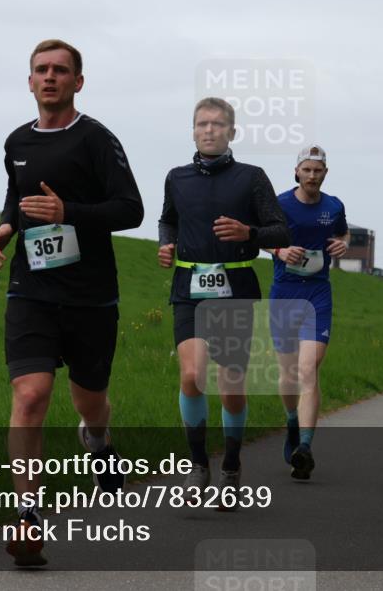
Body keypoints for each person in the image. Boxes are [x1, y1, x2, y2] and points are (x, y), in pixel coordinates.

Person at [0, 39, 144, 566]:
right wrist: (7, 226)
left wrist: (68, 213)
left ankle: (97, 441)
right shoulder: (16, 140)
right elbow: (17, 194)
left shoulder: (97, 139)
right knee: (30, 395)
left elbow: (131, 209)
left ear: (78, 81)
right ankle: (28, 517)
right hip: (31, 289)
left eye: (60, 70)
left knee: (89, 402)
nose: (50, 77)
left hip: (90, 296)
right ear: (29, 81)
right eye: (41, 70)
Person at [158, 97, 289, 506]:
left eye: (217, 124)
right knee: (192, 374)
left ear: (232, 132)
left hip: (235, 289)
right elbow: (168, 219)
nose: (209, 130)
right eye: (202, 124)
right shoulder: (177, 178)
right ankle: (198, 466)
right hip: (189, 288)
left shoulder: (251, 177)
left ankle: (231, 466)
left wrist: (250, 233)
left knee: (231, 386)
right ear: (193, 131)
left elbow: (280, 231)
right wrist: (166, 243)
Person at [263, 145, 348, 480]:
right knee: (288, 374)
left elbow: (341, 231)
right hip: (284, 293)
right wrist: (279, 250)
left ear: (325, 173)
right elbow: (259, 236)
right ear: (297, 172)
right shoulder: (279, 204)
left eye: (318, 170)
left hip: (317, 294)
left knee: (308, 370)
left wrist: (342, 242)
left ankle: (305, 447)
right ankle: (292, 422)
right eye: (307, 170)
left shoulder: (334, 206)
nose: (312, 176)